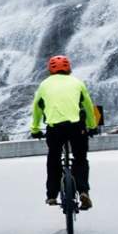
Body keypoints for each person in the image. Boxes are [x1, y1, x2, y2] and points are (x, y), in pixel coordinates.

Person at [29, 54, 98, 210]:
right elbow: (88, 106)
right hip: (76, 127)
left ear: (50, 70)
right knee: (80, 158)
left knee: (53, 158)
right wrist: (92, 126)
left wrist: (34, 129)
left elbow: (37, 108)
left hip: (55, 128)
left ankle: (52, 195)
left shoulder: (44, 85)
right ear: (69, 68)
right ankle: (83, 191)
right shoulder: (78, 83)